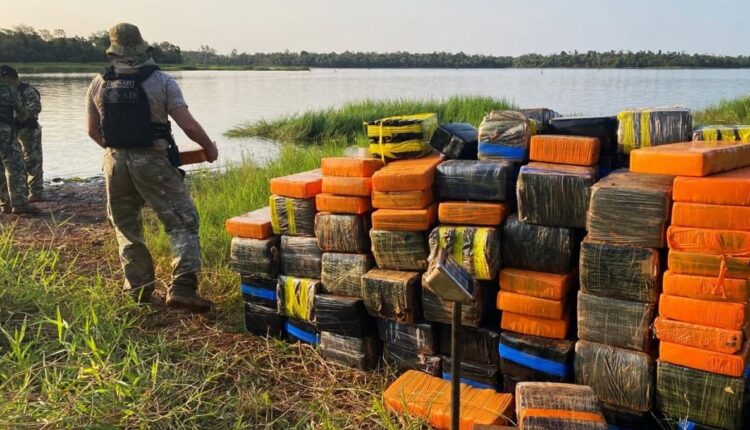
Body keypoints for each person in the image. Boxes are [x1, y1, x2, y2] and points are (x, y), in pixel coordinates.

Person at [86, 23, 219, 312]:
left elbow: (93, 132)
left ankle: (138, 291)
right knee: (183, 221)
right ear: (143, 49)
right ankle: (183, 288)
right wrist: (209, 147)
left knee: (126, 226)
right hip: (154, 160)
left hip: (115, 162)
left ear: (113, 51)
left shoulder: (98, 82)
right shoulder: (161, 80)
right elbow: (187, 124)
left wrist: (119, 153)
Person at [0, 65, 44, 201]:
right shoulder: (7, 91)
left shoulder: (27, 90)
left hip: (28, 130)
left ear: (8, 77)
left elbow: (35, 108)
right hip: (13, 131)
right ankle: (17, 193)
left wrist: (17, 116)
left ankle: (36, 192)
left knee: (32, 161)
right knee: (15, 163)